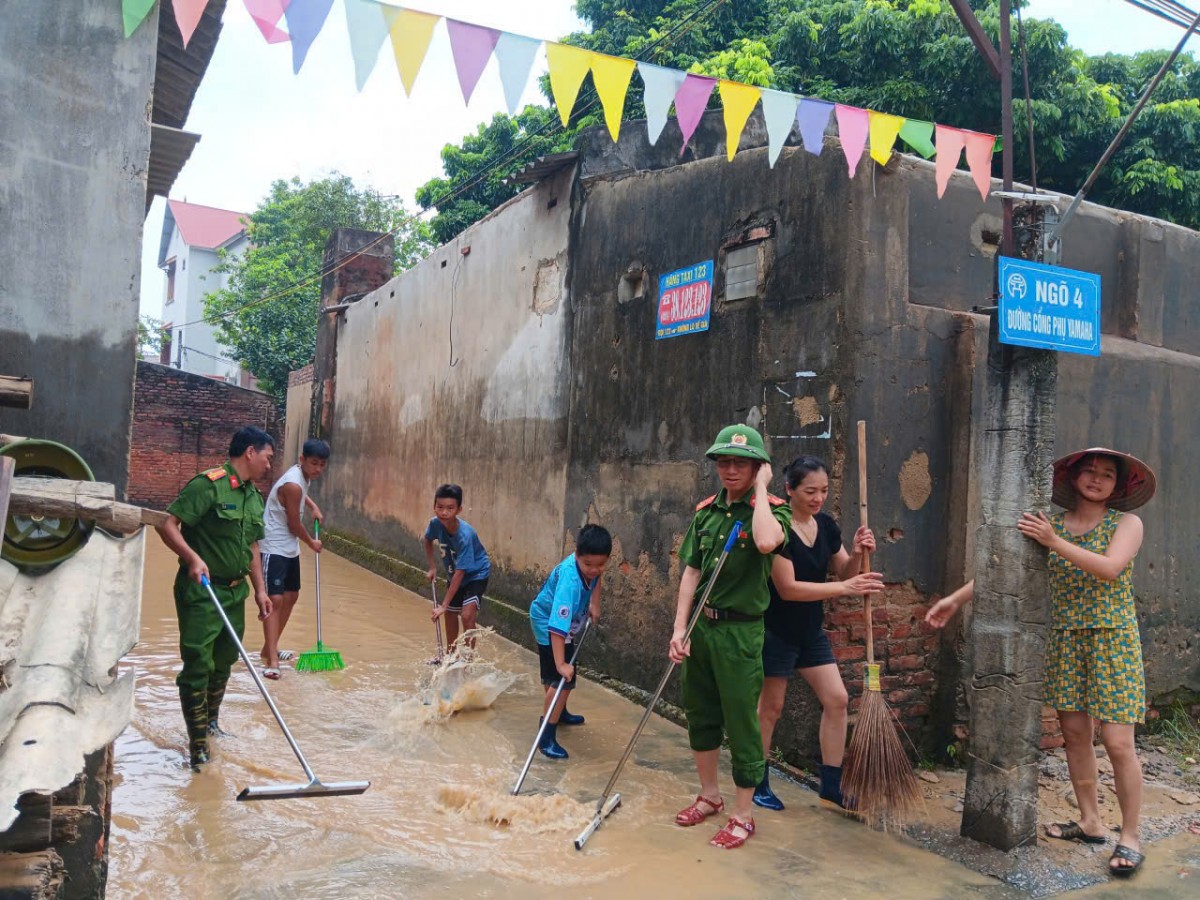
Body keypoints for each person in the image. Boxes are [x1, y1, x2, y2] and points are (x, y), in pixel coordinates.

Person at [925, 448, 1155, 879]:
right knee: (1074, 735)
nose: (1097, 479)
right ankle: (1090, 821)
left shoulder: (1125, 523)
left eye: (1107, 475)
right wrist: (956, 599)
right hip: (1066, 640)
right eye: (1090, 471)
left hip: (1113, 640)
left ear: (1118, 486)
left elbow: (1109, 568)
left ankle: (1131, 836)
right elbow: (1006, 571)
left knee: (1120, 742)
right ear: (1074, 478)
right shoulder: (1056, 526)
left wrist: (1053, 542)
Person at [669, 424, 790, 850]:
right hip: (702, 627)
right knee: (700, 714)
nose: (729, 469)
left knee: (741, 722)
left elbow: (764, 542)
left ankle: (743, 813)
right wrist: (680, 628)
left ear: (758, 467)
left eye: (740, 462)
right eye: (723, 461)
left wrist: (760, 491)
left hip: (740, 632)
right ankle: (709, 796)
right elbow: (692, 572)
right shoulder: (705, 513)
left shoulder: (773, 511)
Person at [753, 455, 882, 813]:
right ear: (789, 489)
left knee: (837, 699)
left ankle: (831, 784)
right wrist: (846, 589)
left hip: (810, 632)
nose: (818, 498)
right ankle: (757, 781)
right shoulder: (779, 528)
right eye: (810, 490)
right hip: (776, 630)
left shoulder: (825, 526)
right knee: (771, 709)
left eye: (823, 490)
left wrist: (856, 554)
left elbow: (844, 573)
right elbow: (788, 589)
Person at [156, 426, 275, 769]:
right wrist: (193, 558)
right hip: (203, 591)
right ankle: (196, 746)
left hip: (235, 592)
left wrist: (260, 591)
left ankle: (210, 725)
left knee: (224, 661)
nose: (270, 465)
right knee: (198, 666)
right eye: (268, 457)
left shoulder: (254, 496)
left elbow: (253, 545)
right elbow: (168, 524)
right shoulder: (208, 484)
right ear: (250, 452)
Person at [528, 524, 612, 759]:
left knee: (560, 679)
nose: (594, 570)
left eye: (601, 564)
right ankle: (545, 737)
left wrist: (595, 602)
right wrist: (561, 664)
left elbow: (596, 578)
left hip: (564, 624)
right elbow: (557, 629)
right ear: (577, 555)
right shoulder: (570, 583)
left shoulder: (590, 567)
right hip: (548, 624)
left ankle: (559, 711)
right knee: (561, 679)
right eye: (589, 565)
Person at [258, 438, 328, 679]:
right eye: (314, 463)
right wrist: (312, 543)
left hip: (289, 547)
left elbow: (300, 494)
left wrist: (312, 506)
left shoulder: (302, 478)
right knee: (274, 600)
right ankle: (272, 659)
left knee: (291, 596)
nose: (317, 469)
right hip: (273, 545)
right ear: (302, 460)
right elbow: (293, 523)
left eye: (322, 465)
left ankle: (269, 646)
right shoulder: (293, 484)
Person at [424, 484, 491, 649]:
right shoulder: (435, 524)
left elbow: (461, 573)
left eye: (450, 508)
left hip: (475, 574)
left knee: (467, 616)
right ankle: (450, 655)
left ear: (459, 510)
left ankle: (467, 661)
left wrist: (443, 605)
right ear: (434, 507)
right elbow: (427, 539)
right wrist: (432, 566)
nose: (444, 512)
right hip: (453, 573)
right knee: (450, 615)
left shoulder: (465, 536)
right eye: (439, 507)